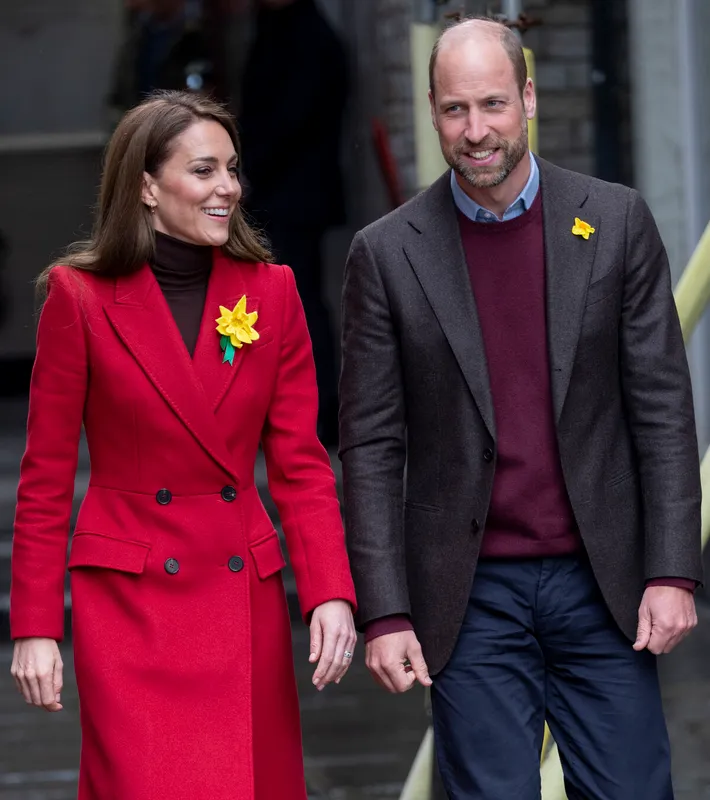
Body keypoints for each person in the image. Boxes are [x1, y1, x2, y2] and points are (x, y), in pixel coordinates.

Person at [339, 17, 702, 800]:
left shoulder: (615, 221)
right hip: (468, 595)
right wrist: (385, 612)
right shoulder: (387, 252)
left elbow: (663, 409)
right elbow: (369, 445)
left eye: (493, 104)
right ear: (432, 112)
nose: (476, 131)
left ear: (528, 98)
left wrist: (673, 570)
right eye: (455, 109)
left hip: (602, 583)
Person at [10, 90, 356, 800]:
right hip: (129, 607)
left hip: (240, 595)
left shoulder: (272, 293)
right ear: (146, 186)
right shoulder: (78, 298)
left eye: (231, 168)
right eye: (203, 170)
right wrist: (35, 628)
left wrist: (329, 592)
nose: (228, 186)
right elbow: (44, 481)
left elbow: (301, 466)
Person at [239, 0, 349, 446]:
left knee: (298, 304)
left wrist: (246, 171)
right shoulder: (278, 28)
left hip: (293, 194)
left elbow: (290, 120)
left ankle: (316, 413)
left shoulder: (307, 37)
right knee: (282, 303)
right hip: (282, 192)